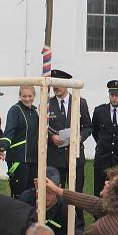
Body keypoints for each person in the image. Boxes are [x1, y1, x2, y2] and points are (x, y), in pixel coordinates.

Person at [47, 69, 92, 224]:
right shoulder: (48, 103)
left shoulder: (79, 102)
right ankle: (59, 222)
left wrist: (79, 138)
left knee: (76, 192)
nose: (56, 87)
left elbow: (88, 126)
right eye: (54, 84)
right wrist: (51, 136)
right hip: (55, 156)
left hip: (74, 154)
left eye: (59, 84)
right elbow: (43, 127)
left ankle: (78, 223)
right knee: (56, 191)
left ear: (67, 85)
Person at [91, 80, 118, 197]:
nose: (114, 98)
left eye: (117, 95)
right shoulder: (99, 111)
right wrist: (104, 144)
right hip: (102, 157)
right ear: (109, 94)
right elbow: (95, 132)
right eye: (112, 95)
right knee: (99, 189)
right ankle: (99, 215)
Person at [0, 85, 39, 197]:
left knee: (32, 193)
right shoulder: (15, 110)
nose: (27, 99)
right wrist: (2, 146)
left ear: (34, 96)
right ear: (20, 96)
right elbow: (9, 130)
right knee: (19, 194)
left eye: (30, 96)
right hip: (18, 159)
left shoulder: (35, 112)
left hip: (33, 159)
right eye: (24, 96)